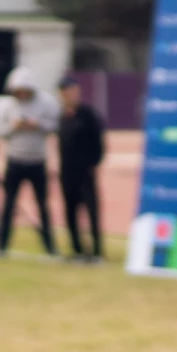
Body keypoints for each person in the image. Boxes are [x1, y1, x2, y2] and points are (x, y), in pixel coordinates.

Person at [0, 66, 59, 257]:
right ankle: (2, 246)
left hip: (38, 161)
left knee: (43, 206)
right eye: (17, 91)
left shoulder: (46, 103)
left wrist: (38, 124)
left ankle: (49, 246)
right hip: (15, 160)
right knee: (8, 205)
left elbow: (55, 126)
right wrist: (14, 126)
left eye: (25, 91)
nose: (21, 94)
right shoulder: (6, 106)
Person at [57, 76, 106, 263]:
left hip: (85, 171)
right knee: (70, 211)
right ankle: (77, 249)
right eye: (65, 92)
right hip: (67, 173)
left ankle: (97, 251)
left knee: (92, 210)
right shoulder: (62, 116)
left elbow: (99, 143)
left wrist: (94, 163)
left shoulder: (88, 115)